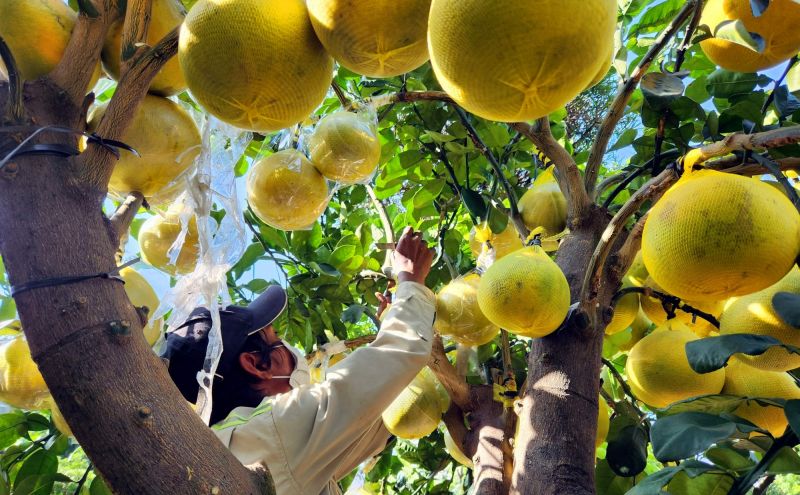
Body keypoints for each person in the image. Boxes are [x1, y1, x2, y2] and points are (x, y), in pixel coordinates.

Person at [162, 227, 436, 494]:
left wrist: (397, 317)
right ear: (257, 365)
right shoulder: (277, 430)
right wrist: (411, 281)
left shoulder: (236, 447)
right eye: (276, 339)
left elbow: (366, 422)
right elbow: (399, 352)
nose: (290, 349)